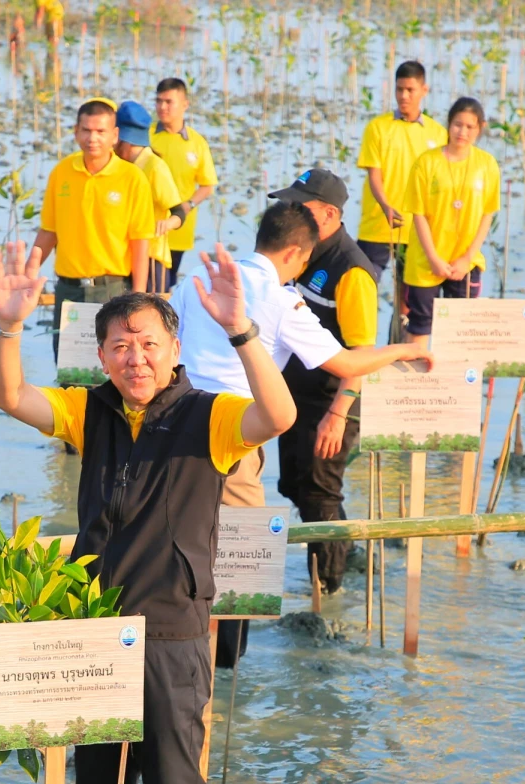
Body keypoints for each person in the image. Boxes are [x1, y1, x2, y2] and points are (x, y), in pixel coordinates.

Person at [0, 239, 299, 784]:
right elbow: (7, 395)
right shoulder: (87, 411)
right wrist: (9, 325)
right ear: (99, 355)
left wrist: (242, 330)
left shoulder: (210, 417)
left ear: (174, 348)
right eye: (120, 345)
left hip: (172, 634)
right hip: (94, 630)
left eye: (148, 343)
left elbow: (278, 418)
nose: (136, 358)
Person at [177, 195, 427, 592]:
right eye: (304, 261)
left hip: (178, 419)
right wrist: (405, 349)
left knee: (182, 535)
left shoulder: (199, 276)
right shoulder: (282, 300)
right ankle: (223, 650)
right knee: (242, 564)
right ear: (294, 252)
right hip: (232, 431)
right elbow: (346, 364)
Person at [271, 170, 386, 593]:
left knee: (320, 494)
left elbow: (361, 355)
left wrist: (338, 415)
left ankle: (329, 590)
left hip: (331, 401)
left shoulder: (351, 270)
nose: (291, 213)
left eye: (302, 207)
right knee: (294, 484)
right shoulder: (300, 252)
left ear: (331, 213)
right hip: (295, 396)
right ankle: (345, 546)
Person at [34, 99, 155, 360]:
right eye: (86, 130)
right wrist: (27, 273)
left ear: (114, 135)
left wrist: (139, 297)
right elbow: (48, 232)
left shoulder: (132, 178)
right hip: (69, 291)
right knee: (69, 372)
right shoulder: (61, 172)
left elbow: (140, 243)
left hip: (111, 289)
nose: (93, 138)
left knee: (115, 371)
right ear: (76, 132)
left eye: (101, 132)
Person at [405, 98, 501, 336]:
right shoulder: (426, 162)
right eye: (458, 124)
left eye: (470, 127)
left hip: (464, 261)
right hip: (426, 260)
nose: (463, 132)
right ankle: (417, 374)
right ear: (449, 124)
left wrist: (467, 258)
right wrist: (434, 258)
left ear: (480, 128)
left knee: (459, 334)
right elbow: (418, 215)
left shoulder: (486, 164)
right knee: (420, 327)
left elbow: (487, 214)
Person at [354, 60, 447, 282]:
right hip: (378, 226)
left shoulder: (438, 133)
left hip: (416, 231)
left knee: (407, 297)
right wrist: (386, 206)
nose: (404, 96)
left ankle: (400, 319)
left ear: (424, 91)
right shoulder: (377, 128)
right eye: (399, 89)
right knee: (364, 284)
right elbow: (374, 175)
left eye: (410, 90)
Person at [149, 78, 218, 291]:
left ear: (185, 104)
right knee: (145, 286)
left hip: (179, 228)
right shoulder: (147, 136)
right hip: (149, 226)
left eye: (169, 102)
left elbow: (207, 185)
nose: (162, 107)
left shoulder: (196, 143)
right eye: (159, 101)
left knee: (166, 284)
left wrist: (189, 205)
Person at [113, 101, 184, 295]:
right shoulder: (119, 165)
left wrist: (168, 223)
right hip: (124, 256)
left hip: (151, 258)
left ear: (124, 141)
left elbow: (179, 211)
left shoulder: (154, 167)